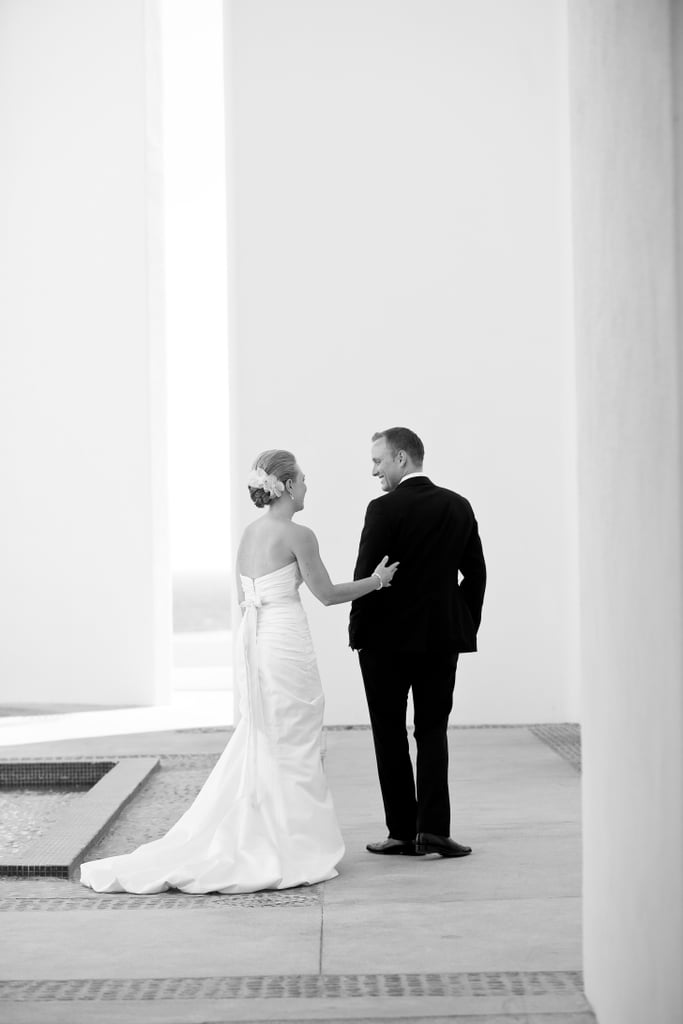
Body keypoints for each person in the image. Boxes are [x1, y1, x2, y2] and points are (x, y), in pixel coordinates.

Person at [79, 449, 398, 895]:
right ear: (286, 486)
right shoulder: (299, 534)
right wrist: (377, 581)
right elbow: (325, 594)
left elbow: (243, 599)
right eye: (303, 479)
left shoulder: (249, 533)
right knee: (296, 736)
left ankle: (269, 831)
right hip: (285, 638)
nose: (307, 486)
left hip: (258, 641)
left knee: (270, 735)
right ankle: (292, 842)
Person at [349, 427, 486, 858]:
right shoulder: (458, 506)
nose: (374, 471)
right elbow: (476, 575)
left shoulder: (382, 509)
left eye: (378, 461)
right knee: (432, 732)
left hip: (384, 645)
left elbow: (367, 575)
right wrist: (460, 623)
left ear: (402, 459)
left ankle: (403, 833)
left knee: (388, 734)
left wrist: (359, 634)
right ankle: (435, 832)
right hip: (441, 641)